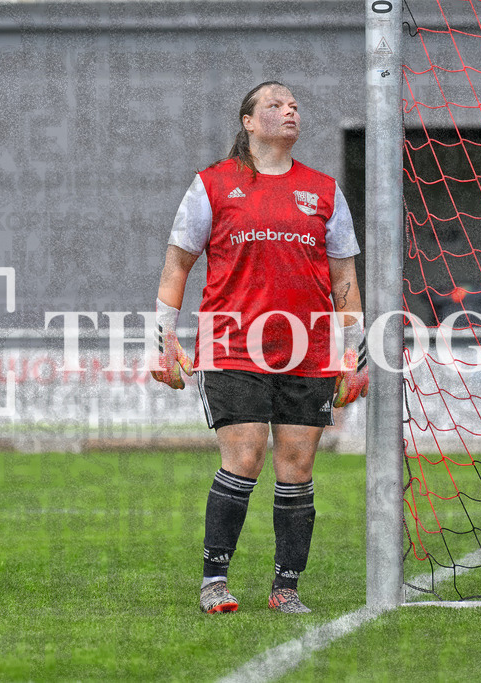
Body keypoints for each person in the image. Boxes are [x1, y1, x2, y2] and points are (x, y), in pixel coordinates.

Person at [151, 81, 368, 614]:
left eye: (294, 105)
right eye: (275, 104)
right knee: (245, 457)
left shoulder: (323, 190)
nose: (289, 110)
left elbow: (344, 278)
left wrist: (354, 354)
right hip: (231, 346)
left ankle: (286, 588)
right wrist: (163, 341)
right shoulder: (212, 185)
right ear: (248, 121)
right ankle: (214, 582)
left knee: (296, 466)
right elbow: (177, 265)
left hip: (309, 350)